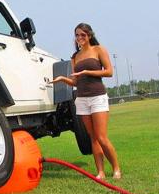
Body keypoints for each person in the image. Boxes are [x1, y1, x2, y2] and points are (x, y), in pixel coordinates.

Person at [50, 23, 121, 180]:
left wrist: (89, 72)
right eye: (77, 35)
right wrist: (63, 79)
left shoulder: (98, 50)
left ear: (89, 35)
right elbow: (75, 81)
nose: (79, 38)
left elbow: (109, 72)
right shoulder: (75, 57)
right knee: (92, 137)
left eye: (82, 35)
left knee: (101, 136)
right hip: (82, 99)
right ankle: (100, 172)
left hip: (97, 97)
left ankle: (116, 168)